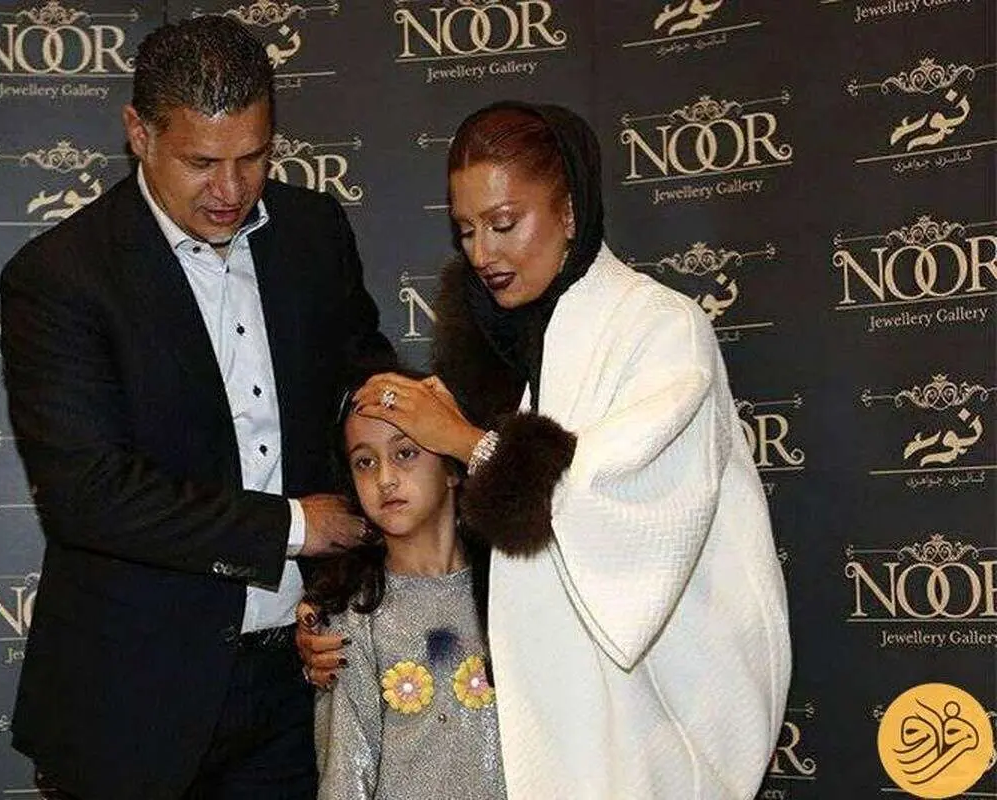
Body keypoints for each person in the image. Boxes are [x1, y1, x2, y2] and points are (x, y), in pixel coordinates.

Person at [301, 102, 791, 799]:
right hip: (534, 736)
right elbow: (449, 552)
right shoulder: (495, 354)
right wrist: (333, 620)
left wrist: (466, 442)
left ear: (570, 211)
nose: (482, 253)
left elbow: (628, 518)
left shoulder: (659, 330)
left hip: (646, 725)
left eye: (504, 224)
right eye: (465, 230)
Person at [0, 16, 392, 800]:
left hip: (299, 684)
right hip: (132, 699)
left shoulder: (314, 232)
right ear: (139, 134)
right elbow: (88, 495)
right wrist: (295, 526)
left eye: (254, 157)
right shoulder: (61, 277)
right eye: (202, 162)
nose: (231, 190)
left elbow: (364, 386)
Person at [306, 370, 504, 800]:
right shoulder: (354, 617)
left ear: (452, 468)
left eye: (406, 453)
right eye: (365, 462)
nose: (385, 479)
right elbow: (344, 774)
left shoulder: (512, 591)